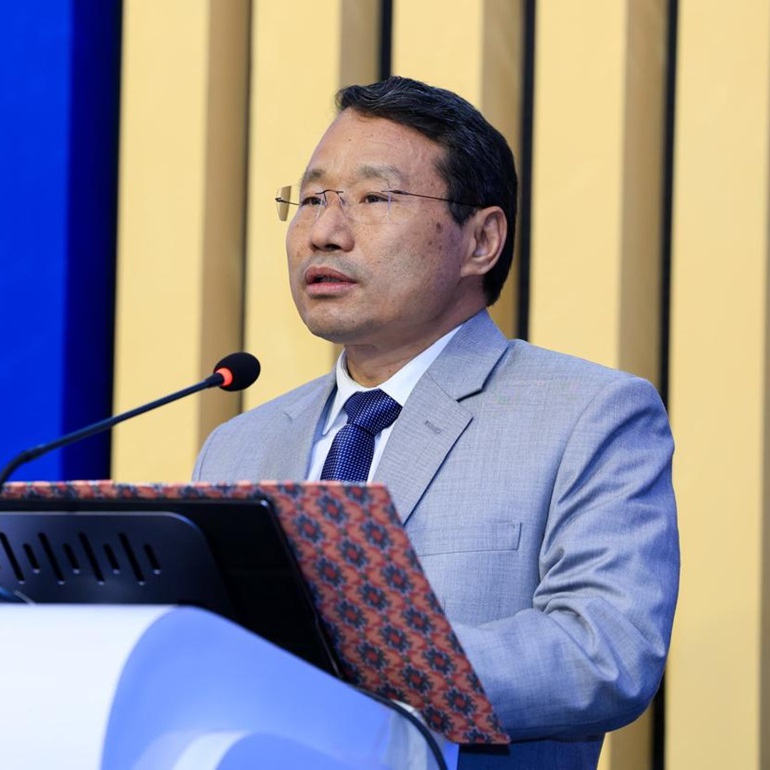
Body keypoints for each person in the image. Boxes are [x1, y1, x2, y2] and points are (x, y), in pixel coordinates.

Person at [192, 76, 679, 769]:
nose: (324, 232)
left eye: (374, 198)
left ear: (481, 240)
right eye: (312, 199)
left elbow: (606, 654)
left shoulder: (586, 414)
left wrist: (352, 658)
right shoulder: (238, 445)